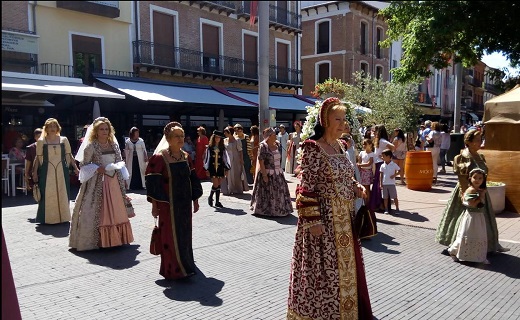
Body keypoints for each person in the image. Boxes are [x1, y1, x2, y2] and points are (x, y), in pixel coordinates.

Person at [287, 97, 371, 319]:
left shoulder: (341, 146)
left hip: (345, 219)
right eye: (338, 119)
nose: (343, 124)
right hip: (323, 223)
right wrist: (313, 221)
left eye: (345, 119)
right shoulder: (312, 148)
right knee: (324, 273)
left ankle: (348, 311)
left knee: (347, 269)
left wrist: (356, 187)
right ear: (325, 120)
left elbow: (346, 177)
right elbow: (305, 188)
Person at [436, 129, 510, 254]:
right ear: (468, 142)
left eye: (480, 140)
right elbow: (462, 179)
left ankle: (491, 244)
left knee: (485, 219)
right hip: (468, 191)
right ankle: (455, 244)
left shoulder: (480, 156)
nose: (479, 142)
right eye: (476, 140)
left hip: (481, 191)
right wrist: (466, 196)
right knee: (463, 218)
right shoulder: (462, 157)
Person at [145, 122, 203, 280]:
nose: (180, 139)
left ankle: (186, 266)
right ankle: (173, 270)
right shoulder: (159, 158)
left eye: (182, 136)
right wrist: (155, 206)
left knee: (184, 236)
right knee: (170, 237)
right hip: (167, 206)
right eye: (176, 136)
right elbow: (152, 184)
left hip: (184, 206)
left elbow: (193, 179)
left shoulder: (186, 156)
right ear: (168, 138)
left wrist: (195, 200)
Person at [69, 117, 134, 251]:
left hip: (114, 182)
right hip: (98, 183)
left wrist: (119, 167)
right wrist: (97, 168)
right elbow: (83, 165)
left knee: (117, 208)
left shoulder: (114, 145)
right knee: (101, 210)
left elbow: (119, 160)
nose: (104, 131)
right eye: (101, 129)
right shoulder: (91, 146)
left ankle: (118, 239)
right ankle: (101, 240)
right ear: (96, 131)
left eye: (106, 129)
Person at [32, 118, 79, 224]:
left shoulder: (64, 139)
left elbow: (69, 155)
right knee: (47, 193)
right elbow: (38, 157)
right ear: (46, 128)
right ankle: (48, 219)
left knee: (63, 192)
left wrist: (75, 168)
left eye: (54, 126)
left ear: (58, 128)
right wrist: (34, 172)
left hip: (62, 170)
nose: (52, 128)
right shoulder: (41, 141)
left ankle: (63, 217)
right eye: (50, 126)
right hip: (46, 171)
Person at [447, 168, 490, 264]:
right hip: (472, 216)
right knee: (468, 235)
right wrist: (481, 196)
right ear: (470, 178)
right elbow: (472, 204)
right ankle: (454, 251)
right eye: (475, 178)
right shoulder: (471, 190)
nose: (477, 180)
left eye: (480, 178)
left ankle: (479, 256)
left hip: (478, 216)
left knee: (477, 235)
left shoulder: (477, 190)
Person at [250, 128, 293, 217]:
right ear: (269, 137)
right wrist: (265, 175)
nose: (275, 136)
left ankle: (281, 209)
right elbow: (261, 161)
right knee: (268, 193)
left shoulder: (277, 144)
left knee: (279, 192)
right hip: (267, 173)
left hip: (278, 173)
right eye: (273, 135)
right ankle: (267, 210)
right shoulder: (263, 146)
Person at [369, 125, 395, 213]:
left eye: (375, 131)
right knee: (379, 184)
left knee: (379, 184)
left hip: (380, 164)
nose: (374, 132)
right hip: (378, 163)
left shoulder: (382, 141)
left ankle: (381, 205)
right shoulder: (379, 141)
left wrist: (385, 156)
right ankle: (381, 205)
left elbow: (393, 147)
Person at [204, 130, 230, 207]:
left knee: (218, 184)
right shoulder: (210, 147)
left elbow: (226, 158)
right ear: (213, 138)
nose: (217, 139)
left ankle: (217, 201)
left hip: (221, 168)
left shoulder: (222, 147)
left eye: (219, 137)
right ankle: (210, 197)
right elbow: (207, 158)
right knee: (215, 184)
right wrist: (207, 169)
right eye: (216, 137)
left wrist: (227, 168)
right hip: (212, 168)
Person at [221, 126, 248, 195]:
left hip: (236, 158)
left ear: (229, 133)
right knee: (229, 174)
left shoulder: (237, 140)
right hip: (228, 158)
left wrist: (241, 160)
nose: (225, 134)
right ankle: (230, 188)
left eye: (226, 132)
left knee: (236, 174)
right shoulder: (225, 140)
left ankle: (238, 189)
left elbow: (240, 151)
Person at [380, 149, 401, 215]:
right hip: (384, 183)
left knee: (394, 197)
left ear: (388, 156)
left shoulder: (393, 164)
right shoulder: (382, 165)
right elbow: (381, 174)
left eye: (383, 156)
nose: (382, 157)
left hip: (391, 183)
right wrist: (381, 183)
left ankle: (397, 208)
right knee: (385, 197)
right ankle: (386, 209)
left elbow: (399, 170)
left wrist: (394, 175)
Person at [357, 138, 375, 205]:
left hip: (367, 172)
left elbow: (369, 163)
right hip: (361, 172)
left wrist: (360, 165)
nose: (364, 145)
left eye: (365, 144)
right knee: (361, 187)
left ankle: (368, 202)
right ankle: (362, 202)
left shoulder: (372, 154)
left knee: (367, 188)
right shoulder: (361, 153)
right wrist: (359, 165)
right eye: (363, 144)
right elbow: (359, 161)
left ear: (370, 145)